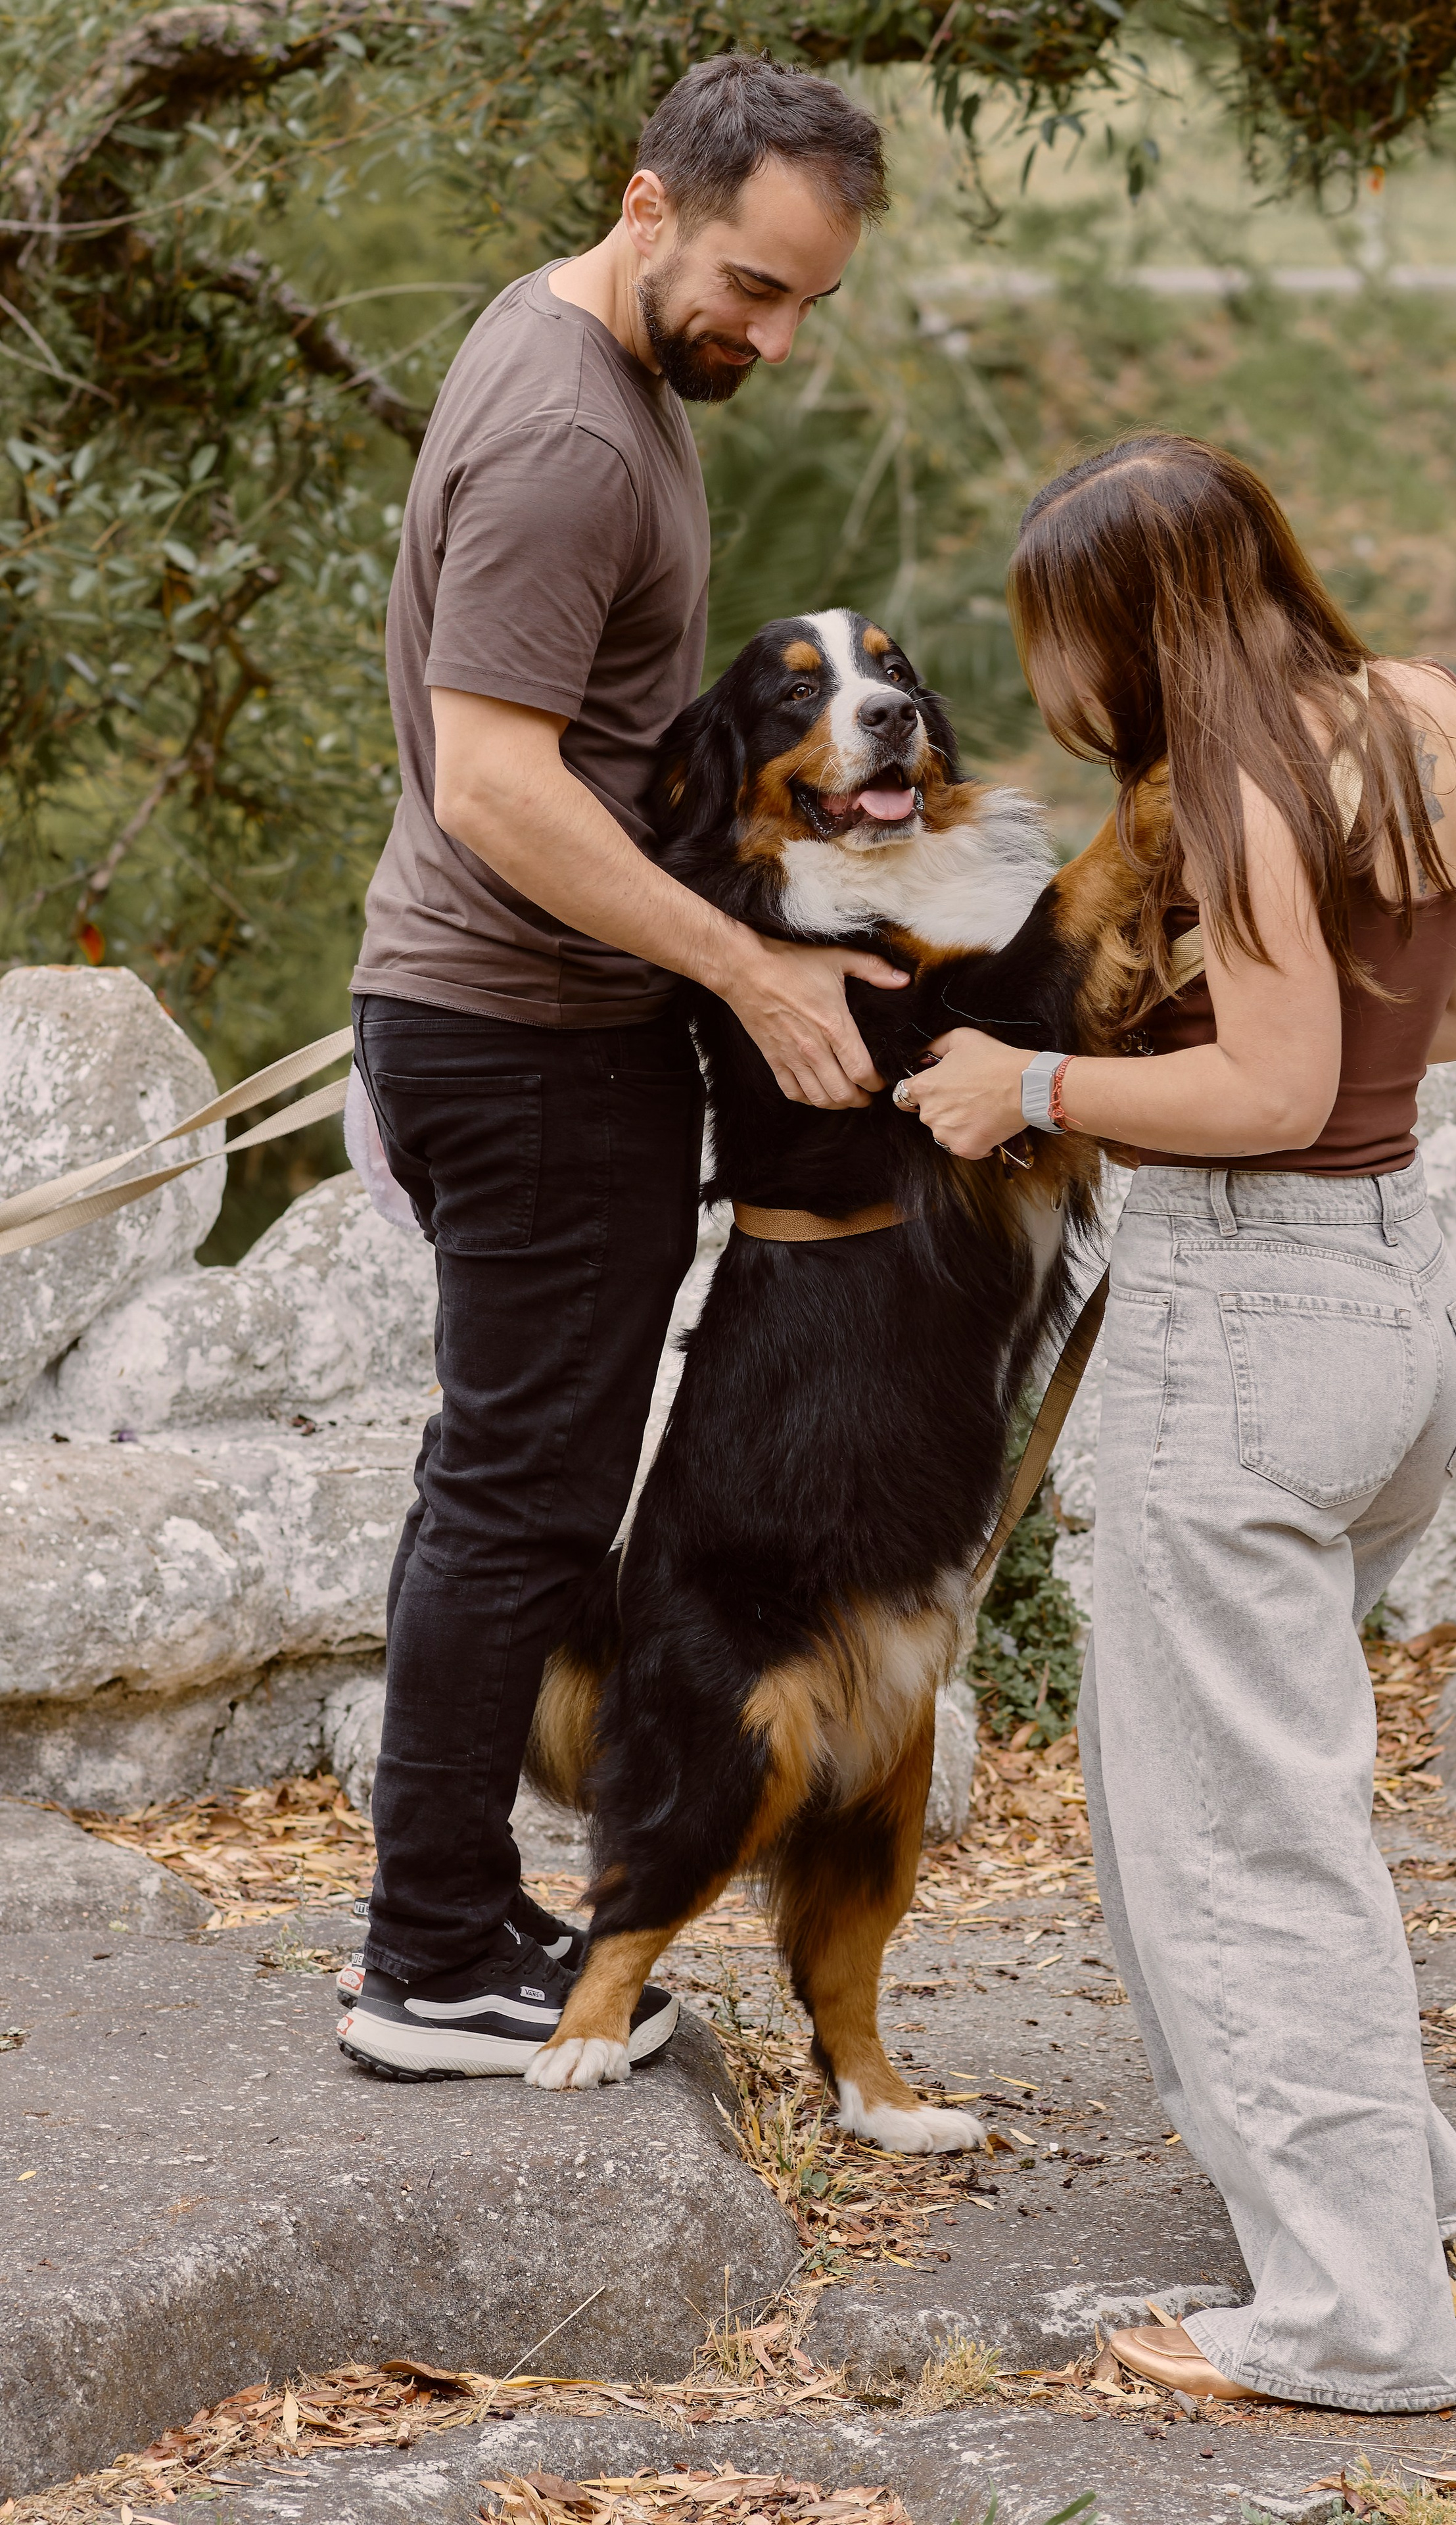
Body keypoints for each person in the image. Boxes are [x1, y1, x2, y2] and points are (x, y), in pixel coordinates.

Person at [899, 431, 1456, 2411]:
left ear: (1130, 618)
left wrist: (1034, 1090)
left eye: (1067, 637)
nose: (1067, 686)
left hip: (1248, 1324)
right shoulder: (1425, 717)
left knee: (1240, 1843)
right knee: (1275, 1796)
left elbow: (1268, 1093)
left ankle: (1354, 2319)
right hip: (1400, 1309)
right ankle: (1383, 2195)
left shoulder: (1241, 786)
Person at [338, 56, 908, 2084]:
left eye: (803, 305)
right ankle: (424, 1962)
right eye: (751, 284)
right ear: (647, 201)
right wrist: (749, 973)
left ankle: (462, 1907)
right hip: (525, 1044)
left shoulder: (583, 344)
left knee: (528, 1482)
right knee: (518, 1498)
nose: (766, 334)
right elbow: (498, 784)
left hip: (528, 1031)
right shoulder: (574, 437)